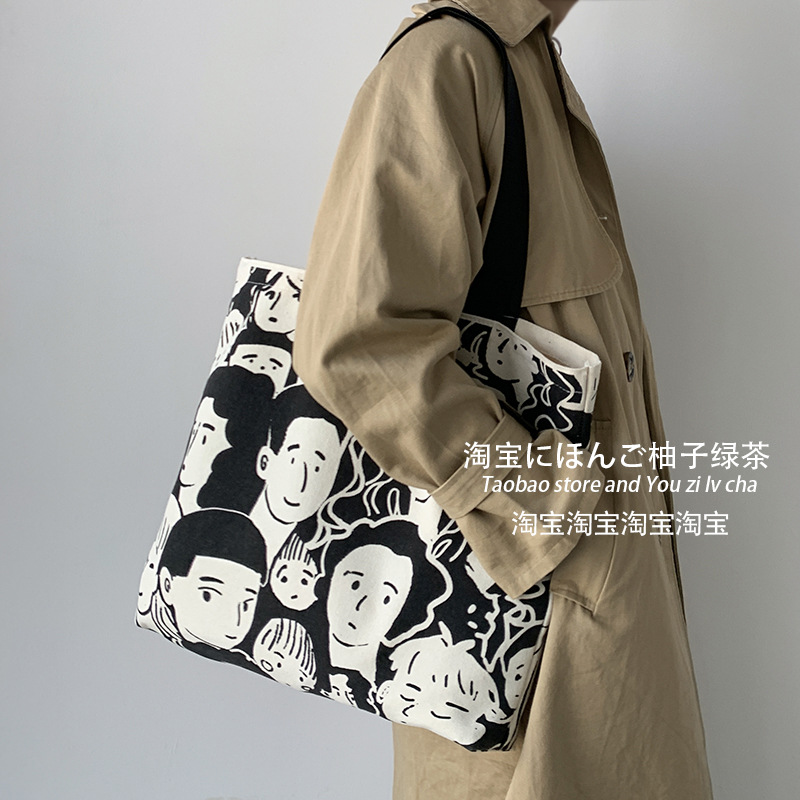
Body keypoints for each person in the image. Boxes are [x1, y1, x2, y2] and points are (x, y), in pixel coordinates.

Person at [293, 0, 714, 798]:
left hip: (594, 617)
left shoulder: (530, 62)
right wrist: (538, 503)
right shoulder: (447, 64)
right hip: (523, 632)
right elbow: (353, 338)